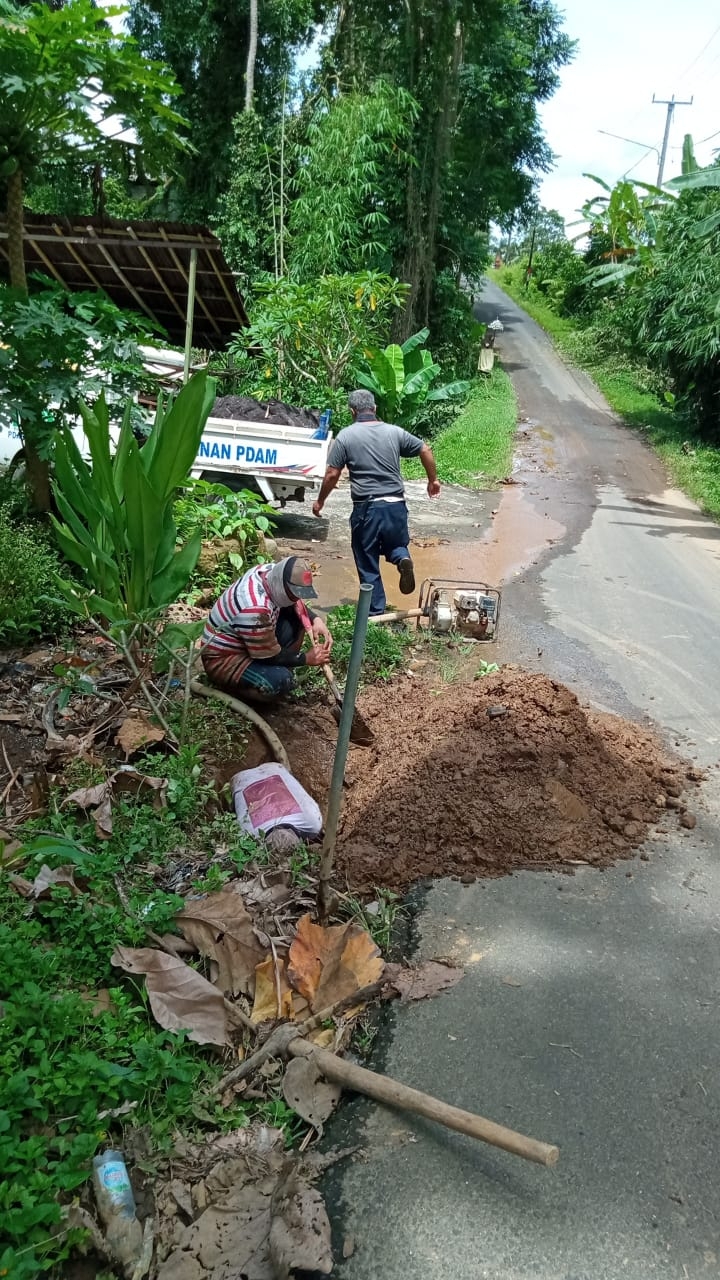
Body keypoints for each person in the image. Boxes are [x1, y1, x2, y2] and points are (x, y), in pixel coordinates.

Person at [312, 389, 440, 615]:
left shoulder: (346, 436)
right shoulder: (394, 432)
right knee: (395, 545)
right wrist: (433, 481)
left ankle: (375, 613)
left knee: (367, 556)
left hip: (367, 508)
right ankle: (402, 559)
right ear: (375, 409)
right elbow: (425, 448)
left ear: (352, 411)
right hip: (396, 505)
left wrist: (320, 501)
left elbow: (332, 474)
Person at [200, 556, 332, 702]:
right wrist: (306, 658)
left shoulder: (270, 572)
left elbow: (296, 603)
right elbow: (270, 655)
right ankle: (237, 690)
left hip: (249, 637)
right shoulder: (255, 609)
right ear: (281, 585)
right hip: (225, 658)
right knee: (280, 681)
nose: (296, 599)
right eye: (293, 594)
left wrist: (315, 619)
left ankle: (283, 667)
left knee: (296, 616)